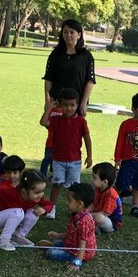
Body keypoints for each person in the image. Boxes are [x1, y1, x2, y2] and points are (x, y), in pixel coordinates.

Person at [41, 19, 96, 176]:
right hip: (57, 103)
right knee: (54, 136)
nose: (68, 35)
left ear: (79, 34)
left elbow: (90, 80)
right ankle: (53, 168)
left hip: (75, 104)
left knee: (73, 137)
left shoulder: (86, 56)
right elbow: (48, 78)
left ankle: (69, 170)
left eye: (72, 32)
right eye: (65, 32)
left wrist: (83, 103)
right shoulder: (55, 54)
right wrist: (47, 101)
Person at [40, 88, 92, 219]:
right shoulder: (56, 120)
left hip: (75, 160)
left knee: (75, 187)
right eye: (65, 105)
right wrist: (50, 108)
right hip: (58, 160)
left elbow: (87, 138)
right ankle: (51, 207)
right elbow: (43, 122)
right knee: (57, 184)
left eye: (72, 105)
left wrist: (89, 155)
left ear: (77, 105)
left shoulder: (81, 121)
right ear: (60, 105)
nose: (69, 108)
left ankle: (75, 208)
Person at [45, 182, 97, 270]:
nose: (66, 202)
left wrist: (77, 263)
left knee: (51, 253)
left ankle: (67, 254)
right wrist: (58, 235)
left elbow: (82, 245)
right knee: (57, 242)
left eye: (69, 200)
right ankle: (53, 245)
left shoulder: (84, 221)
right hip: (72, 244)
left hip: (81, 252)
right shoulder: (76, 214)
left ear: (80, 204)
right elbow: (72, 233)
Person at [90, 162, 123, 233]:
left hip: (112, 222)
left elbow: (105, 213)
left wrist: (87, 215)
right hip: (100, 214)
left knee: (99, 217)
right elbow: (93, 204)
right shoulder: (98, 189)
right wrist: (84, 211)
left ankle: (97, 227)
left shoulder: (111, 195)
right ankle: (94, 225)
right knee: (84, 208)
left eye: (94, 177)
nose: (92, 179)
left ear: (105, 182)